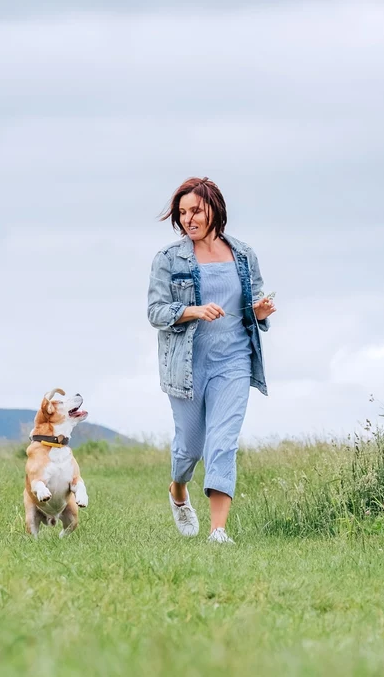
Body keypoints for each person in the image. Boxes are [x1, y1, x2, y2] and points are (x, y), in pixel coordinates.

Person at [146, 176, 276, 543]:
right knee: (189, 446)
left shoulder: (244, 255)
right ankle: (177, 489)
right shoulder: (169, 259)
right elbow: (155, 311)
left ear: (214, 209)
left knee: (222, 442)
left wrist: (261, 311)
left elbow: (253, 305)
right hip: (186, 365)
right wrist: (194, 310)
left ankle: (219, 531)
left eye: (196, 211)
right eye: (183, 213)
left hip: (233, 361)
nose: (189, 219)